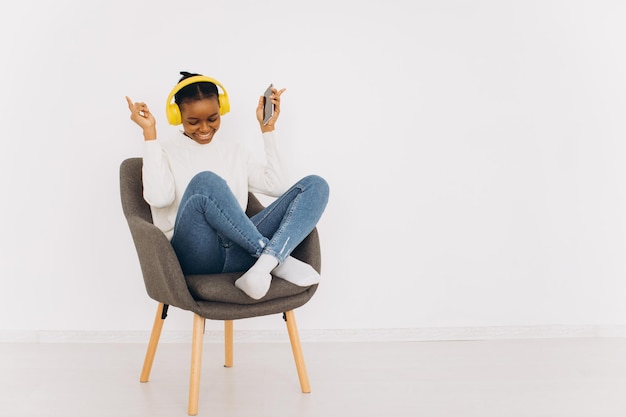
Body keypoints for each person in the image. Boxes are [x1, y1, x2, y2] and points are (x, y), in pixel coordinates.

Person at [125, 72, 329, 300]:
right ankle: (273, 256)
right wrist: (149, 135)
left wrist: (267, 129)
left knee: (315, 186)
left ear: (221, 109)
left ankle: (262, 267)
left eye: (212, 119)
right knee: (206, 182)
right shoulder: (163, 151)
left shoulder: (233, 151)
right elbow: (159, 198)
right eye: (193, 121)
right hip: (197, 256)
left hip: (241, 250)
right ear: (176, 116)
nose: (204, 128)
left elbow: (278, 186)